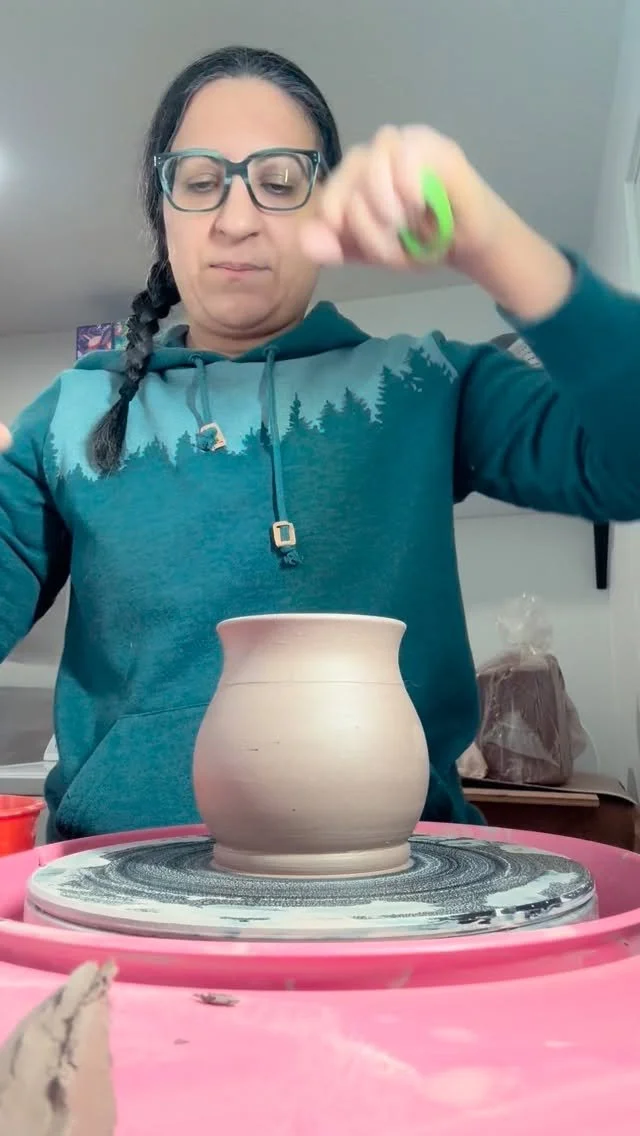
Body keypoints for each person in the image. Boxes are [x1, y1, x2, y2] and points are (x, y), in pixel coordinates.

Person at [2, 46, 639, 842]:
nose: (237, 219)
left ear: (324, 205)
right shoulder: (71, 414)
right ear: (162, 211)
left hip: (402, 885)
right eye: (199, 182)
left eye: (278, 182)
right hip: (113, 888)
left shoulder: (423, 383)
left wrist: (497, 245)